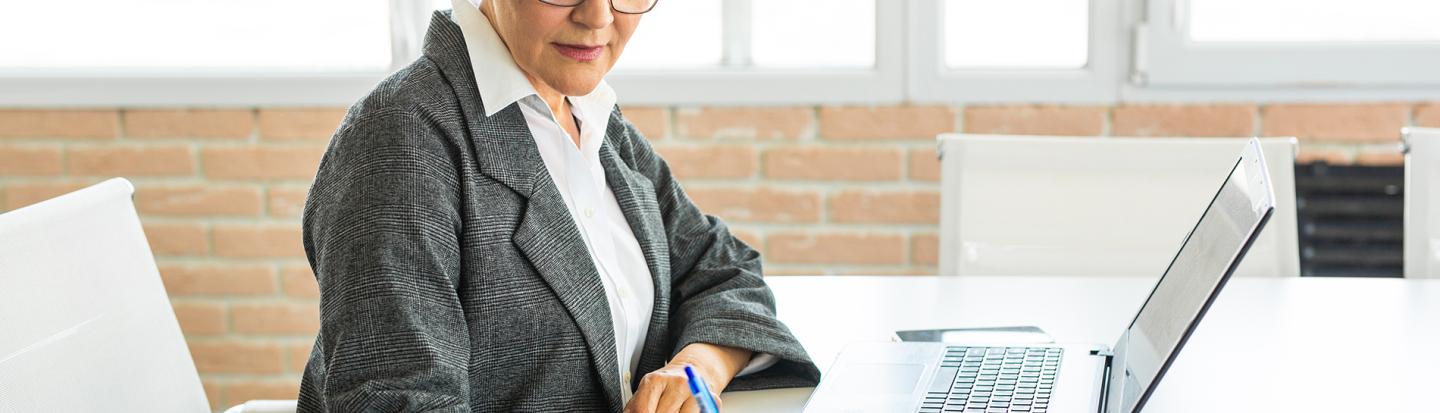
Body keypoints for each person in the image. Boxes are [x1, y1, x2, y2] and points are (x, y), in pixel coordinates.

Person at [294, 0, 821, 411]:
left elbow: (723, 271)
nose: (597, 17)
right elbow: (397, 401)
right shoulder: (400, 142)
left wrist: (697, 369)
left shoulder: (592, 120)